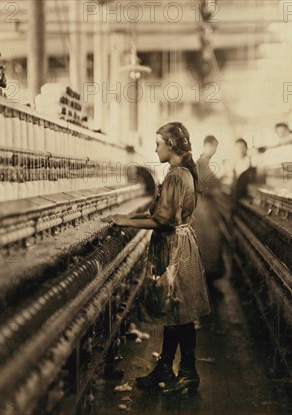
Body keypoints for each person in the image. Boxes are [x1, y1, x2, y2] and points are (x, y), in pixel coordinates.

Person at [102, 121, 211, 395]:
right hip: (179, 244)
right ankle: (166, 368)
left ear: (170, 145)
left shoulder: (176, 176)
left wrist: (127, 223)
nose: (155, 148)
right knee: (176, 312)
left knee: (179, 312)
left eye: (158, 143)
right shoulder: (181, 172)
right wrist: (125, 217)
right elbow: (157, 213)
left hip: (174, 247)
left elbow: (162, 221)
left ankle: (188, 373)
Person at [194, 135, 224, 295]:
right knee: (209, 243)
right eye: (213, 147)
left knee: (209, 243)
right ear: (206, 146)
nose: (214, 151)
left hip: (205, 208)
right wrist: (220, 182)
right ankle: (207, 285)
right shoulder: (202, 163)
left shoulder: (202, 163)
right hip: (202, 210)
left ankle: (208, 283)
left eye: (216, 148)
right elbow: (210, 182)